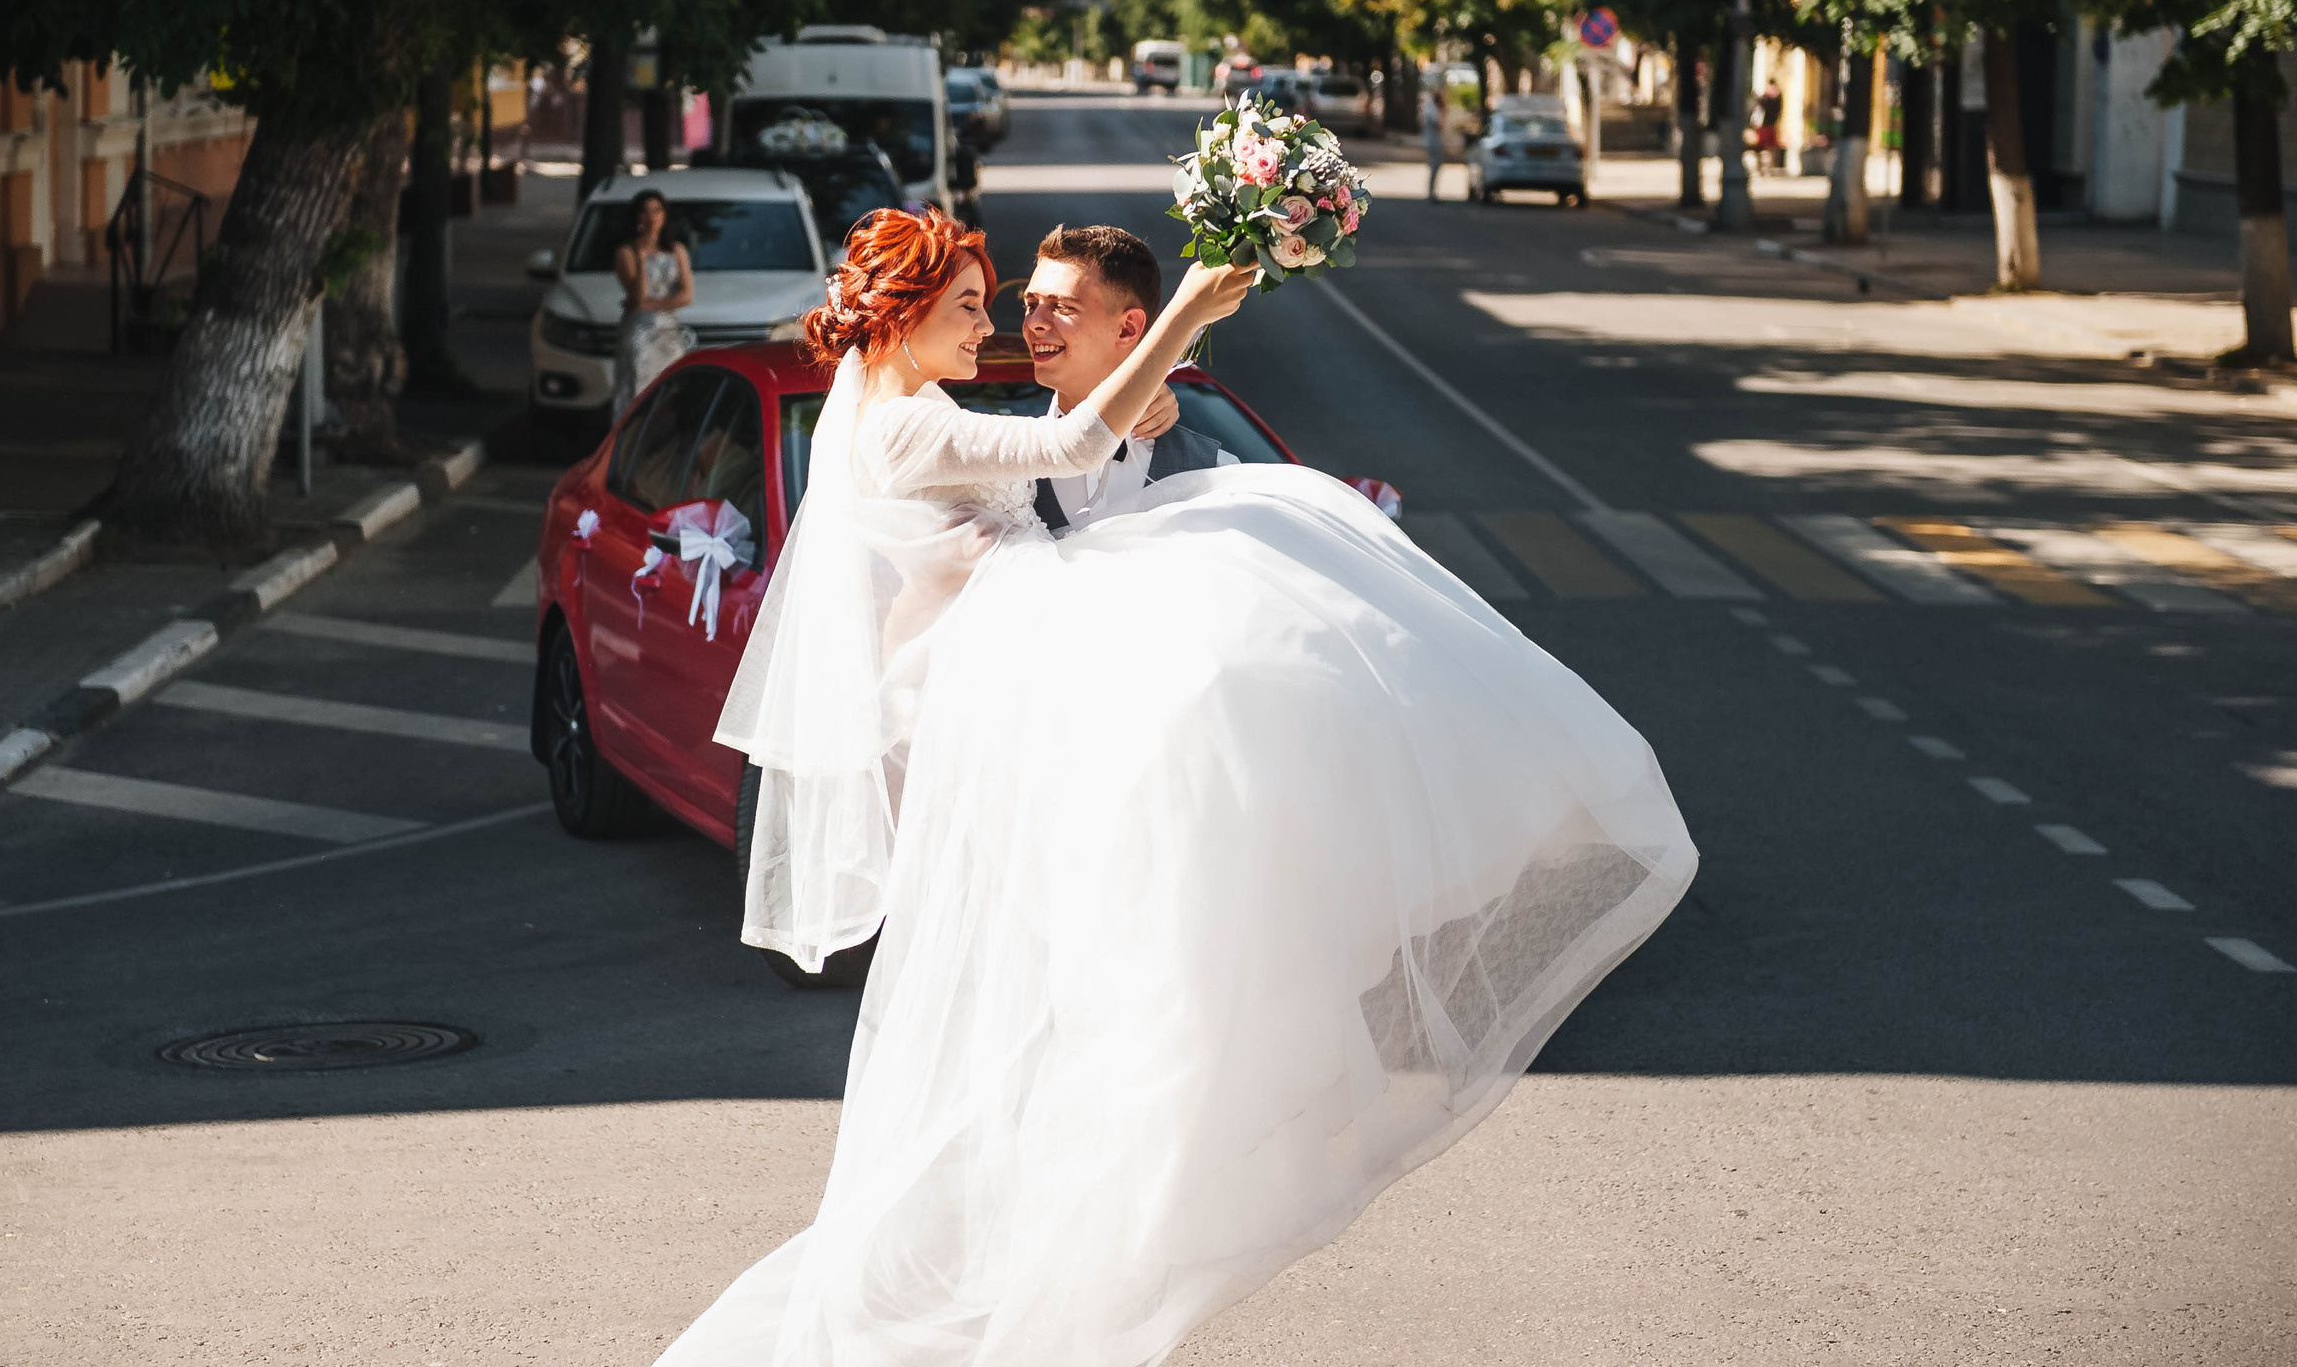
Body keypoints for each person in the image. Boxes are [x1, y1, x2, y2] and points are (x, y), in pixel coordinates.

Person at [673, 207, 1697, 1367]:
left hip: (1014, 700)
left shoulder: (911, 406)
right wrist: (1179, 326)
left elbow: (1043, 465)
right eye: (973, 307)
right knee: (1225, 667)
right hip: (1004, 710)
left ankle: (1135, 1125)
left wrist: (1134, 400)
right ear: (905, 316)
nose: (998, 325)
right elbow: (1045, 464)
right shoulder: (904, 429)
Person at [1021, 224, 1236, 532]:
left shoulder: (1217, 473)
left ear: (1127, 329)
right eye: (1030, 305)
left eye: (1063, 307)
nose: (1035, 323)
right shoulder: (1002, 466)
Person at [607, 188, 693, 420]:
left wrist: (650, 304)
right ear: (636, 217)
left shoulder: (677, 250)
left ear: (665, 216)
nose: (651, 217)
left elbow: (686, 295)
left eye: (657, 211)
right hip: (640, 332)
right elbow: (638, 295)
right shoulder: (626, 252)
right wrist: (641, 257)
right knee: (637, 387)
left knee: (670, 390)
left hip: (668, 332)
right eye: (645, 212)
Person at [1421, 84, 1450, 199]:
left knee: (1435, 167)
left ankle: (1432, 191)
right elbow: (1438, 124)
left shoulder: (1430, 108)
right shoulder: (1432, 109)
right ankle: (1431, 192)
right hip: (1433, 142)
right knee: (1434, 166)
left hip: (1433, 141)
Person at [1754, 80, 1786, 177]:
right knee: (1761, 147)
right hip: (1764, 125)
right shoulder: (1765, 98)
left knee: (1771, 148)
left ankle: (1769, 168)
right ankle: (1762, 168)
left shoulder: (1776, 98)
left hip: (1771, 125)